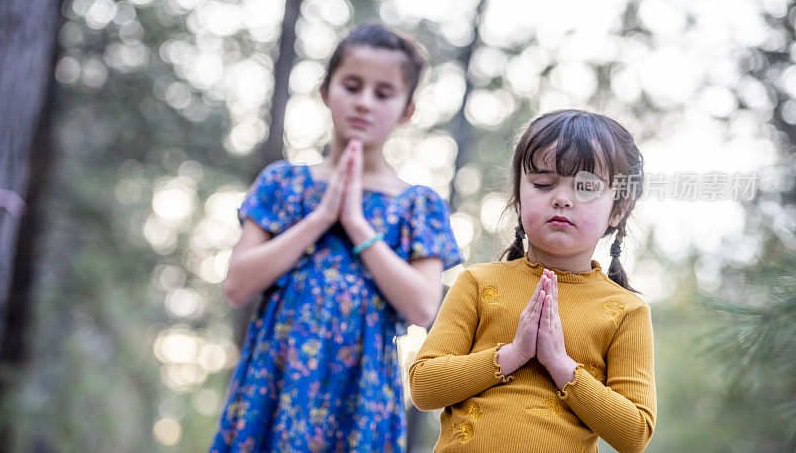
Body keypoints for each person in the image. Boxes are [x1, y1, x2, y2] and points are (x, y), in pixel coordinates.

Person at [209, 24, 462, 452]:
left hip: (361, 395)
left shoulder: (418, 205)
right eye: (352, 85)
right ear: (326, 92)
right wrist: (322, 217)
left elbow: (422, 306)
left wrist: (358, 226)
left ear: (407, 110)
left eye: (383, 93)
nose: (364, 102)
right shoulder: (283, 184)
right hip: (276, 383)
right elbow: (237, 284)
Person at [409, 109, 655, 453]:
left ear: (618, 209)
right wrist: (513, 354)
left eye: (585, 187)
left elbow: (635, 433)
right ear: (519, 196)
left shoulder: (627, 311)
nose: (562, 198)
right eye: (543, 184)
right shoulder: (477, 283)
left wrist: (561, 364)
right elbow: (423, 386)